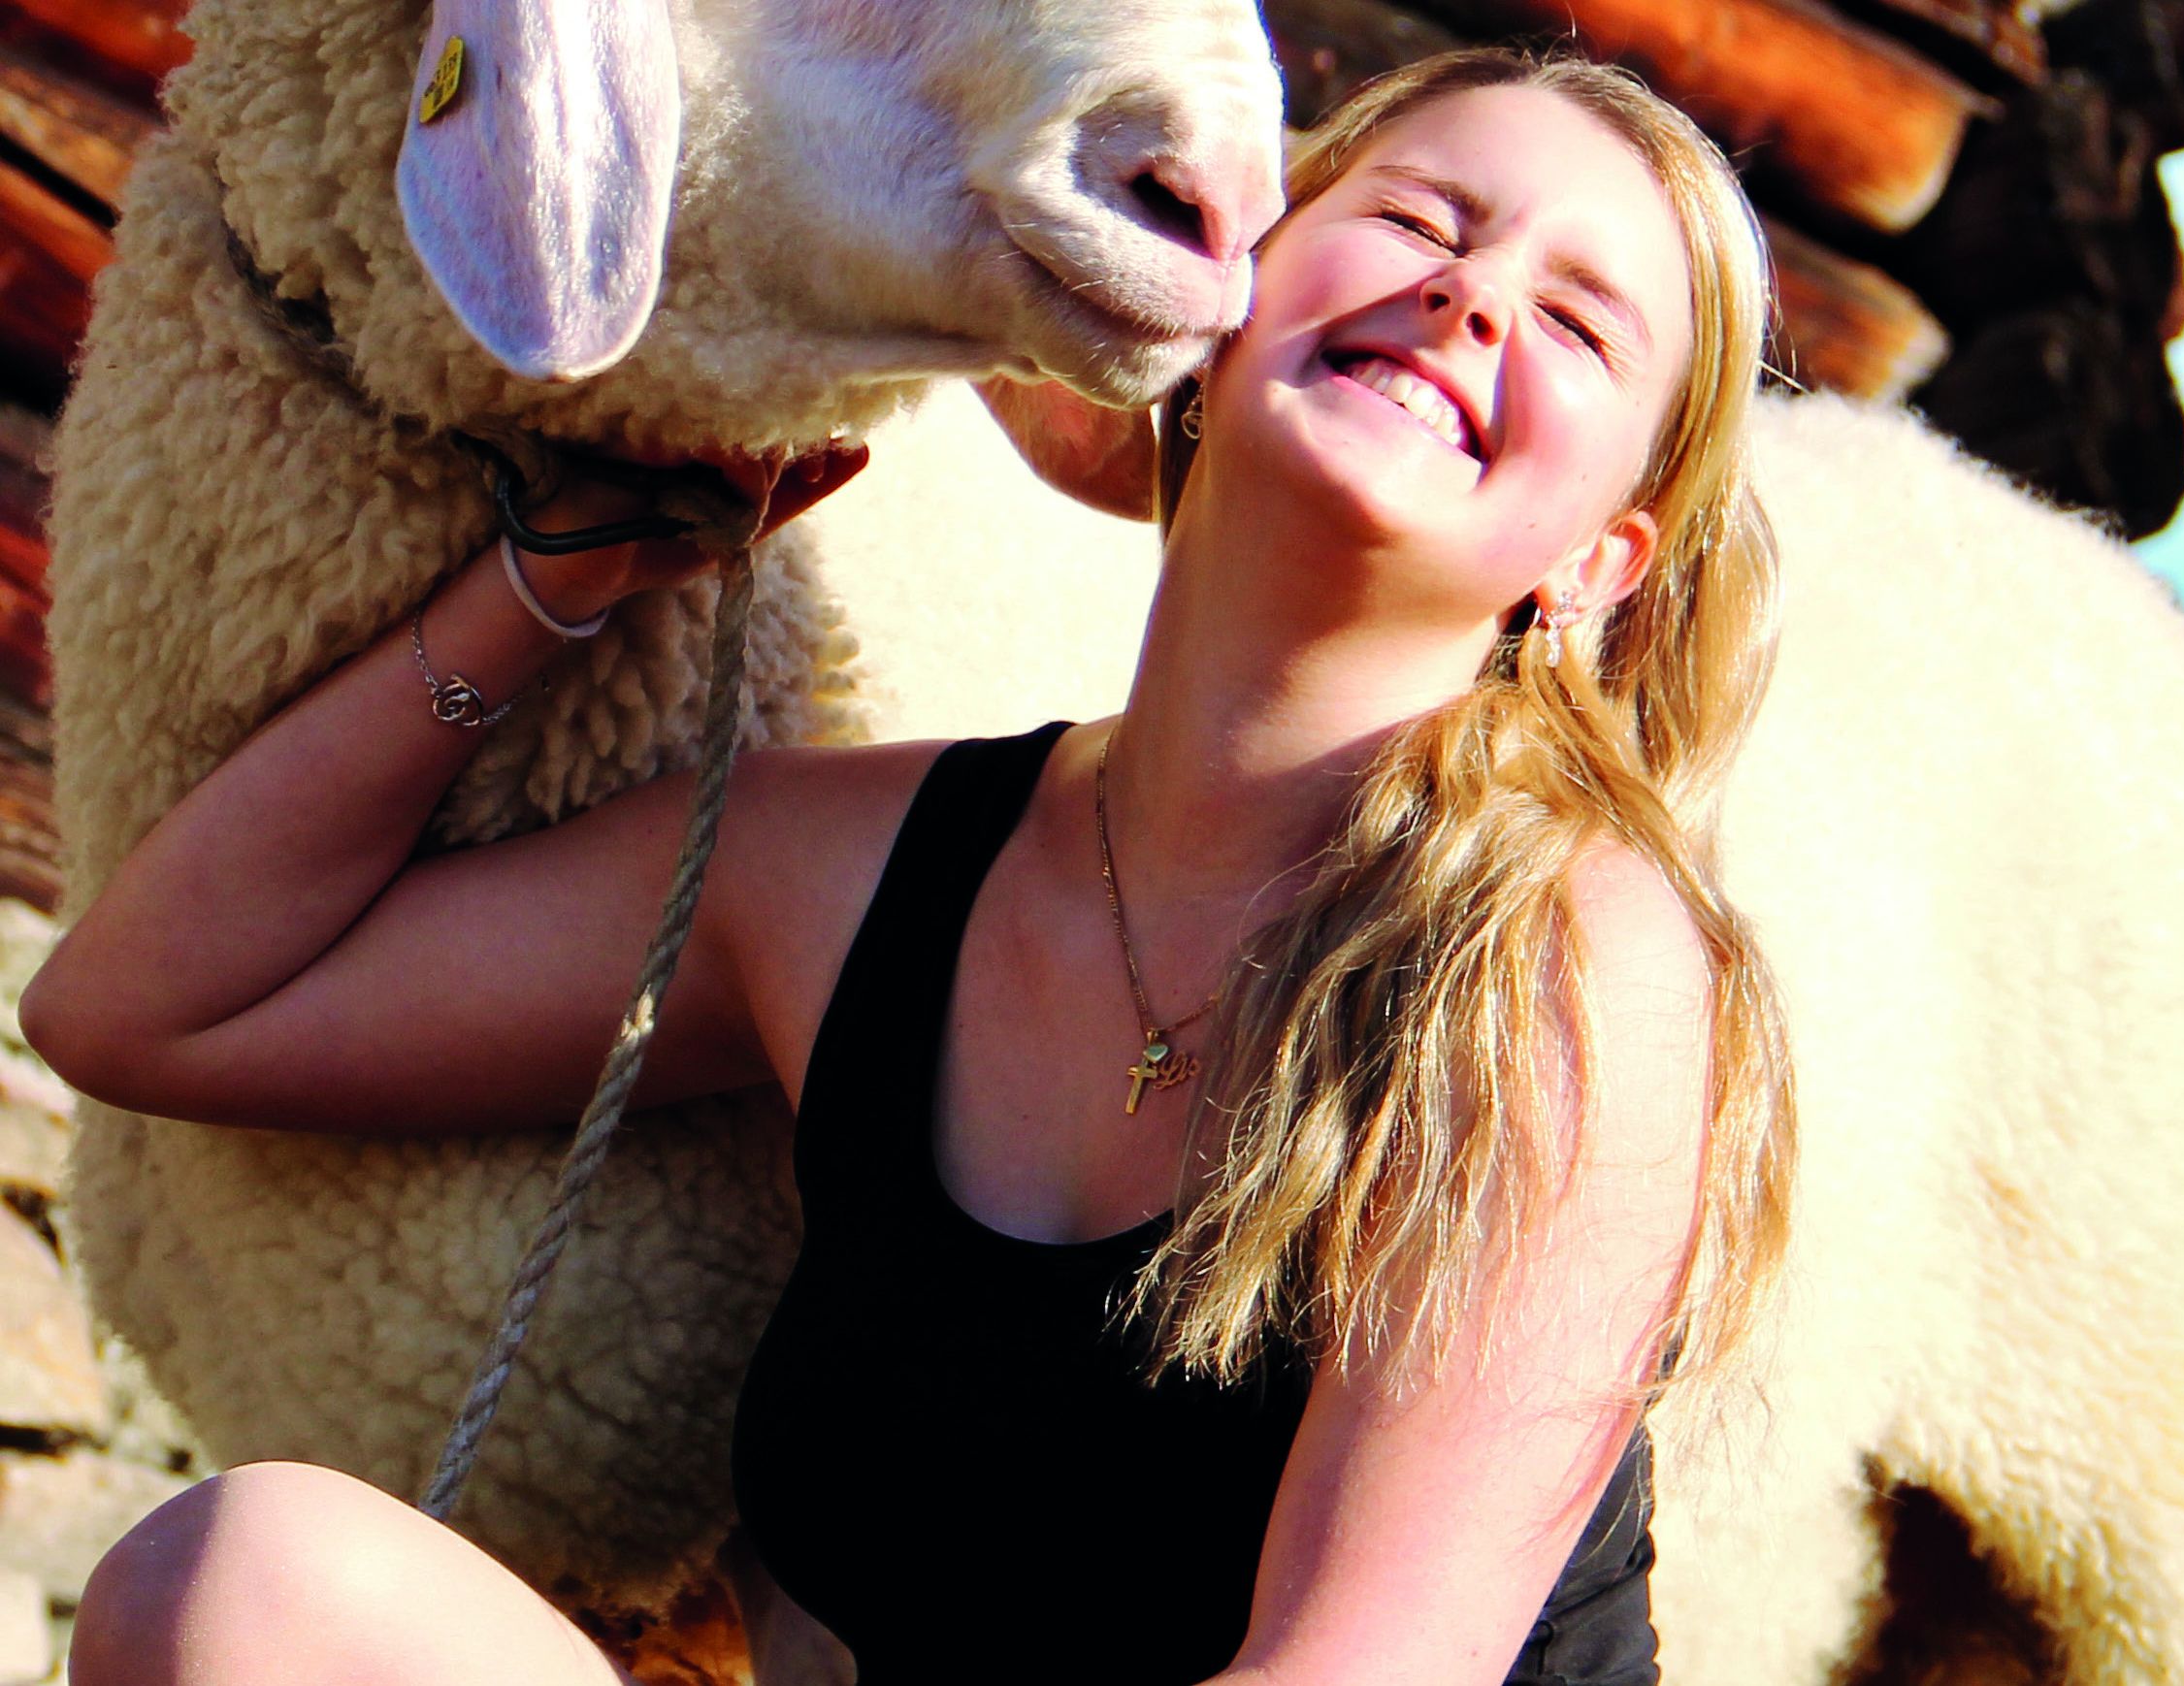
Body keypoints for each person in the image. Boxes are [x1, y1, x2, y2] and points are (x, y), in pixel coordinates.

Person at [26, 45, 1794, 1686]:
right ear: (1227, 293)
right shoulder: (854, 868)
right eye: (1416, 217)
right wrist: (547, 585)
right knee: (239, 1575)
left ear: (1601, 562)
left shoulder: (1562, 959)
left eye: (1577, 321)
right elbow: (149, 1010)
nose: (1471, 292)